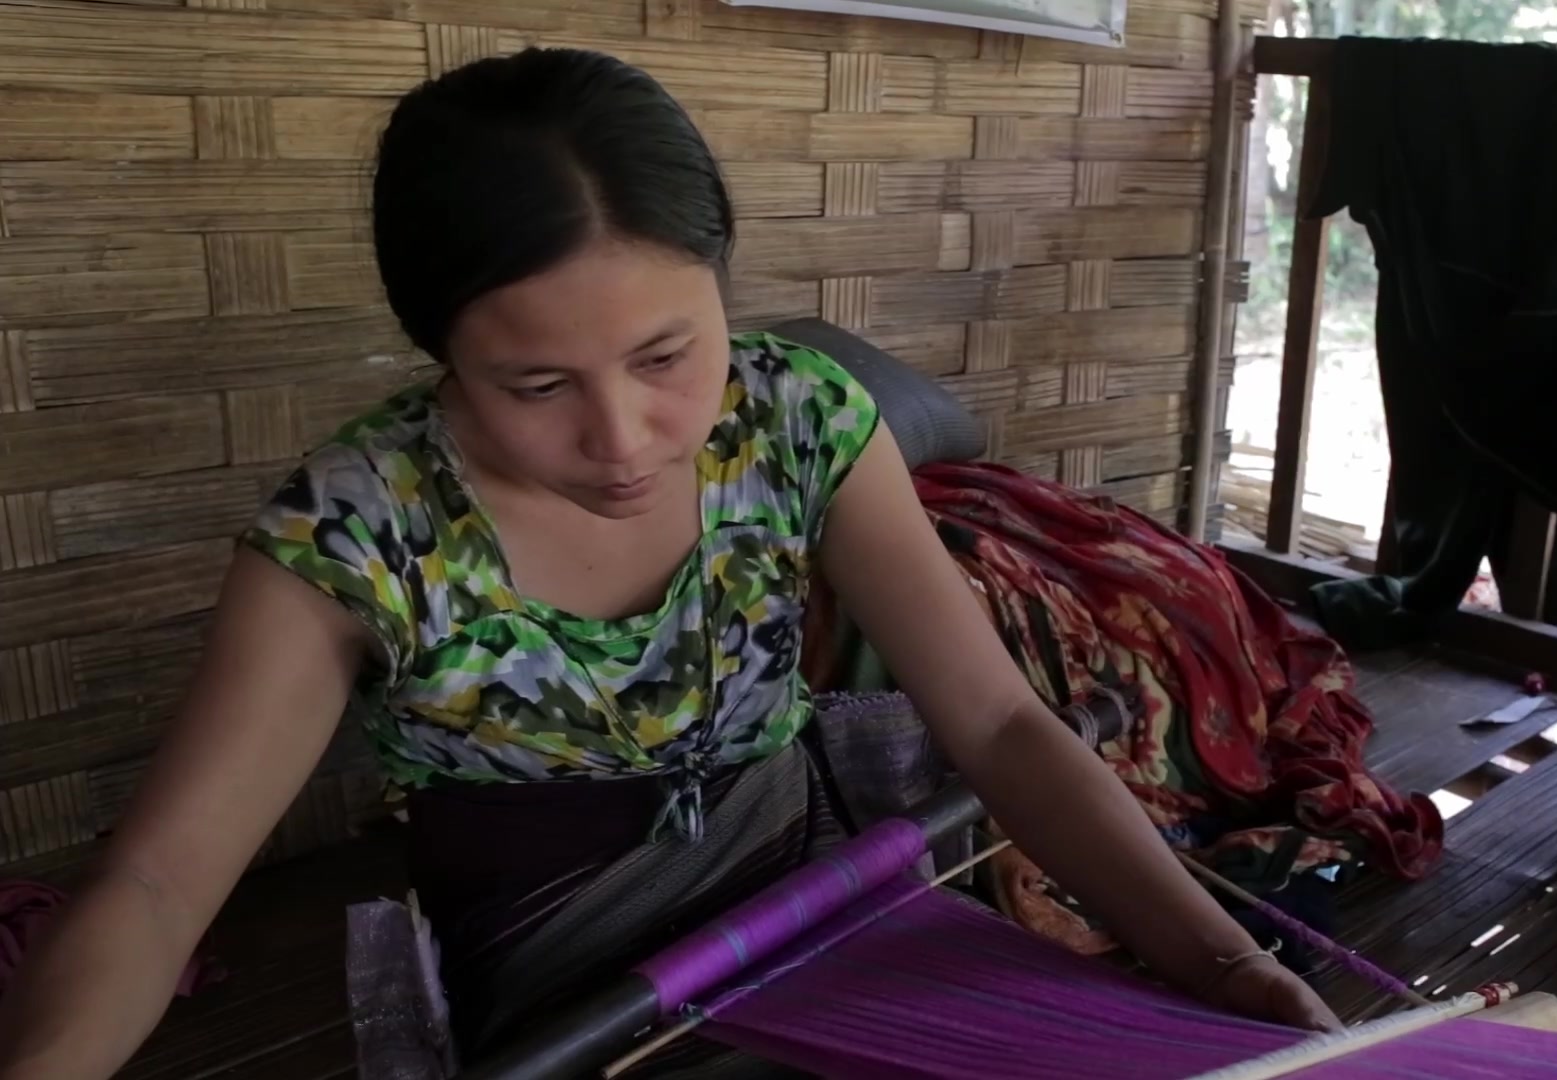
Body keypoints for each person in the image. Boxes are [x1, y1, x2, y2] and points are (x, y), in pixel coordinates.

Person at [0, 46, 1338, 1079]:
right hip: (576, 1008)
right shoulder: (362, 532)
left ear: (719, 281)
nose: (625, 437)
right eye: (536, 384)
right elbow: (158, 884)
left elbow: (995, 722)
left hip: (821, 914)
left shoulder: (797, 420)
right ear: (439, 348)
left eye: (665, 356)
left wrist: (1221, 962)